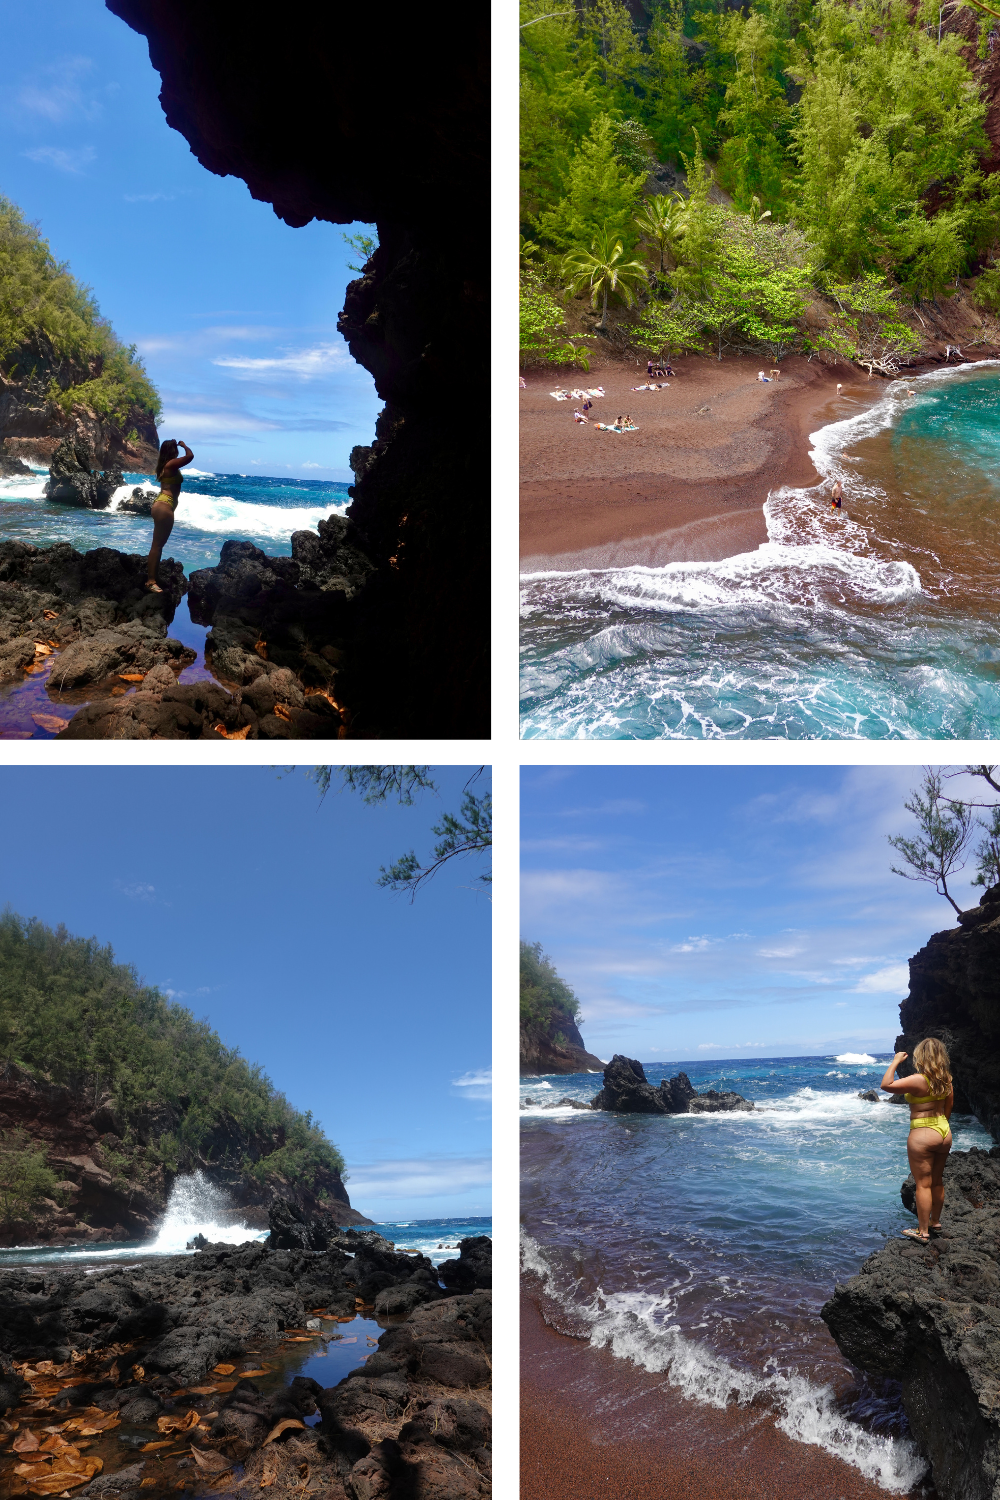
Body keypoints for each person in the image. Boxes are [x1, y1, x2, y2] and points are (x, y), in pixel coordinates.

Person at [880, 1040, 954, 1243]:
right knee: (937, 1181)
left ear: (921, 1057)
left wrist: (895, 1062)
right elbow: (948, 1108)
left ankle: (923, 1232)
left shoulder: (918, 1080)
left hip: (922, 1133)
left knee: (923, 1184)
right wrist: (940, 1128)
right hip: (943, 1132)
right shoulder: (946, 1080)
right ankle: (935, 1223)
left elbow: (886, 1085)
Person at [147, 438, 193, 593]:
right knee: (157, 545)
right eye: (175, 448)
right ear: (172, 451)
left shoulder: (165, 465)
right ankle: (150, 581)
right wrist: (184, 445)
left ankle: (154, 577)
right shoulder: (170, 464)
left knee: (158, 545)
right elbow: (190, 456)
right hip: (164, 506)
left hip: (162, 505)